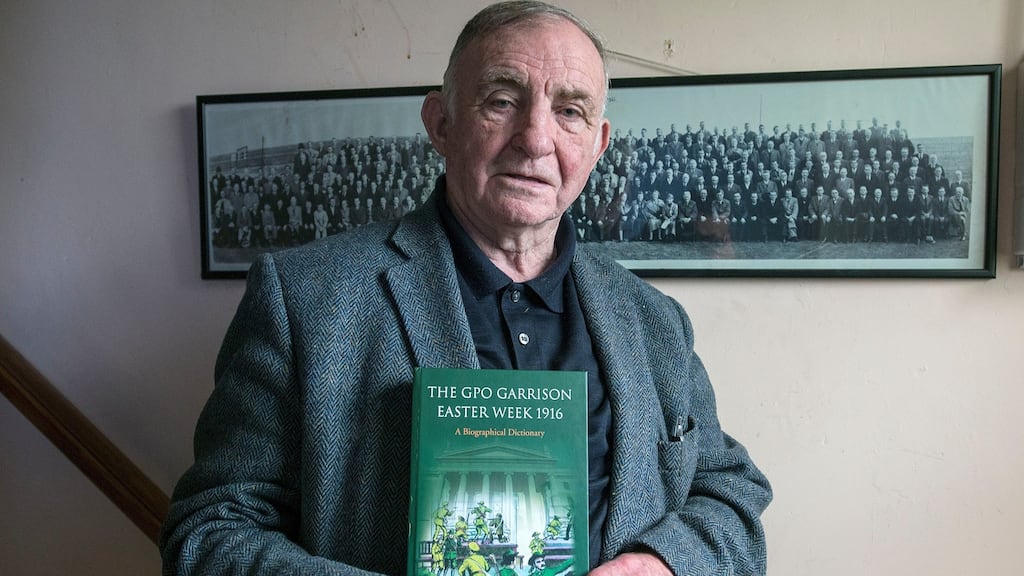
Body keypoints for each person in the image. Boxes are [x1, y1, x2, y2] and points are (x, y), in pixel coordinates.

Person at [160, 2, 771, 575]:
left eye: (570, 111)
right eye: (502, 101)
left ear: (597, 145)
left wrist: (659, 563)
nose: (536, 139)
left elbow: (730, 492)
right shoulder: (303, 298)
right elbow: (210, 531)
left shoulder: (656, 319)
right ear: (441, 123)